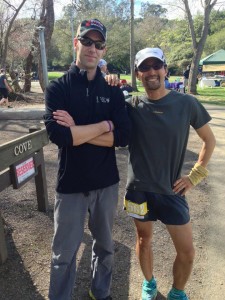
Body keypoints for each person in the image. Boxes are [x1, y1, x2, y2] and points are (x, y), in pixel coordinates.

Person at [44, 18, 130, 300]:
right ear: (76, 43)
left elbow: (124, 136)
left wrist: (78, 130)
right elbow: (61, 136)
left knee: (105, 247)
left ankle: (100, 293)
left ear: (104, 50)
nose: (93, 48)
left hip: (106, 184)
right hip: (71, 186)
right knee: (63, 256)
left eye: (99, 44)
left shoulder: (113, 88)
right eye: (87, 41)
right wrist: (106, 126)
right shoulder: (58, 89)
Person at [124, 48, 216, 300]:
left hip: (171, 191)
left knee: (187, 253)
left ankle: (177, 292)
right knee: (144, 240)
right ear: (137, 73)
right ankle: (149, 284)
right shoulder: (130, 105)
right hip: (138, 190)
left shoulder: (186, 103)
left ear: (165, 69)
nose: (151, 72)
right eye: (145, 67)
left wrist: (195, 176)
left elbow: (209, 140)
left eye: (156, 66)